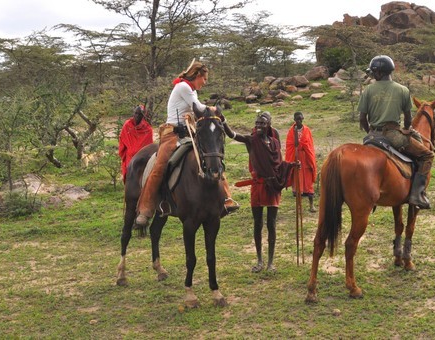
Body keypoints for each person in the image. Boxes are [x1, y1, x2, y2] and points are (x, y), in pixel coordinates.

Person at [134, 59, 238, 228]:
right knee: (160, 165)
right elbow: (198, 107)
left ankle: (226, 198)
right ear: (197, 75)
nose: (205, 82)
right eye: (204, 79)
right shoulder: (183, 87)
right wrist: (215, 111)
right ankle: (145, 209)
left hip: (190, 132)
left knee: (212, 155)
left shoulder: (190, 90)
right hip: (172, 133)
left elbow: (196, 110)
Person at [221, 112, 296, 272]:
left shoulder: (275, 143)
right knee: (257, 223)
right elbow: (232, 134)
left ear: (268, 124)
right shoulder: (251, 140)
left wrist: (291, 165)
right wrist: (223, 120)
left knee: (272, 224)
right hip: (258, 186)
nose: (259, 126)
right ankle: (260, 261)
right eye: (257, 123)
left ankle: (270, 262)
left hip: (273, 187)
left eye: (262, 123)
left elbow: (279, 164)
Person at [358, 55, 435, 209]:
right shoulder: (402, 90)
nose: (373, 76)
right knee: (428, 155)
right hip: (393, 135)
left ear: (379, 73)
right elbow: (407, 119)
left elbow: (362, 119)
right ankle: (416, 195)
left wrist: (370, 132)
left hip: (371, 136)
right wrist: (406, 129)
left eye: (373, 73)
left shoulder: (368, 90)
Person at [285, 111, 318, 212]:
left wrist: (302, 146)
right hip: (295, 158)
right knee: (297, 182)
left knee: (308, 183)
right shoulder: (291, 131)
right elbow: (290, 145)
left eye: (300, 118)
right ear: (294, 120)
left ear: (303, 118)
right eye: (297, 119)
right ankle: (298, 206)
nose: (299, 120)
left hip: (306, 158)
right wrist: (297, 144)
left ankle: (311, 205)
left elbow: (310, 145)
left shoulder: (307, 130)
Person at [118, 105, 153, 183]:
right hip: (129, 159)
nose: (137, 116)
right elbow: (122, 141)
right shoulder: (127, 125)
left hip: (142, 161)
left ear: (144, 115)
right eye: (136, 113)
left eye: (140, 114)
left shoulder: (147, 129)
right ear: (133, 114)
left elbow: (149, 149)